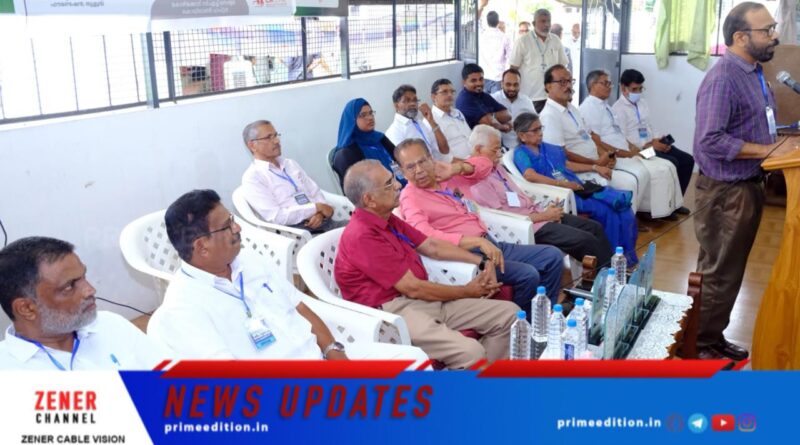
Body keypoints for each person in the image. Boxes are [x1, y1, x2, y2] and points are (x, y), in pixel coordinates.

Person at [148, 189, 428, 366]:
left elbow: (300, 306)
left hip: (322, 358)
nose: (238, 229)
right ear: (201, 246)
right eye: (228, 225)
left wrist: (335, 353)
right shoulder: (183, 308)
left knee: (412, 359)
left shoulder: (248, 260)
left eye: (233, 219)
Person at [335, 160, 519, 369]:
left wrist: (482, 262)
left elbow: (431, 246)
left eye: (393, 178)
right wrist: (467, 291)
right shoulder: (362, 235)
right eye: (388, 184)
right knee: (471, 352)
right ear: (369, 199)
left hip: (423, 298)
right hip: (393, 313)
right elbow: (412, 288)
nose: (398, 185)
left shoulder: (387, 218)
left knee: (510, 315)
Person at [692, 2, 800, 360]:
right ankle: (700, 346)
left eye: (773, 28)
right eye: (766, 30)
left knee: (731, 271)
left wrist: (781, 142)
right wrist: (766, 151)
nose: (774, 35)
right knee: (718, 273)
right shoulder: (723, 77)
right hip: (725, 193)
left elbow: (756, 126)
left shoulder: (753, 72)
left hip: (748, 186)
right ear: (740, 37)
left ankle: (713, 336)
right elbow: (710, 140)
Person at [395, 138, 564, 313]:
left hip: (491, 243)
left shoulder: (447, 175)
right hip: (467, 253)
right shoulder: (410, 197)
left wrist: (457, 168)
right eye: (411, 167)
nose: (419, 170)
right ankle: (523, 324)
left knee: (552, 256)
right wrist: (474, 242)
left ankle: (544, 315)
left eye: (422, 161)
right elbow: (424, 235)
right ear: (402, 172)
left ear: (431, 159)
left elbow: (486, 164)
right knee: (527, 274)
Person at [442, 124, 613, 267]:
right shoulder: (477, 181)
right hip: (527, 225)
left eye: (499, 149)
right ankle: (606, 280)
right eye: (495, 150)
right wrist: (544, 216)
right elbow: (505, 217)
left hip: (537, 213)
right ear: (478, 149)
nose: (499, 154)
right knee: (585, 240)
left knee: (594, 227)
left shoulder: (495, 166)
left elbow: (517, 194)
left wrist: (544, 209)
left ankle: (611, 271)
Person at [0, 237, 169, 370]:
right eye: (69, 286)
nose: (90, 290)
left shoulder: (111, 325)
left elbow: (171, 382)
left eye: (83, 277)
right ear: (27, 309)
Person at [512, 112, 638, 265]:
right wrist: (562, 184)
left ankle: (624, 256)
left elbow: (566, 165)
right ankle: (611, 259)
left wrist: (595, 167)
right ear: (522, 136)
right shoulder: (521, 153)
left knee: (622, 208)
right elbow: (530, 175)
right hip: (563, 194)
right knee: (607, 211)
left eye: (541, 128)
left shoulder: (547, 148)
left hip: (578, 187)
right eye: (535, 130)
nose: (540, 133)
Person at [539, 65, 644, 214]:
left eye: (570, 81)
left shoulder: (572, 109)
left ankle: (628, 220)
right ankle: (624, 222)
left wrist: (606, 155)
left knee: (635, 178)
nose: (568, 86)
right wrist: (595, 164)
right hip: (580, 171)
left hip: (597, 162)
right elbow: (562, 157)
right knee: (629, 183)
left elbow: (591, 137)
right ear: (548, 86)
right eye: (562, 82)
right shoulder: (549, 116)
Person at [580, 69, 683, 219]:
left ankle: (667, 208)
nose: (609, 87)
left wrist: (634, 148)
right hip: (620, 154)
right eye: (605, 83)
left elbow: (620, 134)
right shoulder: (590, 108)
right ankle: (647, 212)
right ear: (592, 85)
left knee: (669, 165)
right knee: (658, 168)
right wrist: (628, 152)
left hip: (634, 149)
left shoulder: (607, 106)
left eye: (610, 83)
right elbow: (595, 140)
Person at [240, 120, 346, 233]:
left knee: (358, 225)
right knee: (355, 233)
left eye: (276, 135)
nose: (276, 141)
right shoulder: (253, 177)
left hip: (324, 221)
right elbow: (276, 217)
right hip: (298, 232)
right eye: (269, 137)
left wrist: (320, 213)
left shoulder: (290, 164)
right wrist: (316, 208)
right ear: (252, 145)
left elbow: (315, 192)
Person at [612, 69, 695, 208]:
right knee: (673, 162)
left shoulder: (642, 103)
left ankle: (676, 203)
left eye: (640, 89)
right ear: (623, 88)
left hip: (652, 145)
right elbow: (623, 139)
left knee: (687, 160)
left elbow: (649, 126)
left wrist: (659, 140)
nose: (638, 93)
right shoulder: (617, 109)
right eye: (634, 89)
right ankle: (666, 206)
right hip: (639, 152)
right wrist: (648, 146)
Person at [510, 8, 569, 113]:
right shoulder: (523, 41)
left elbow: (563, 67)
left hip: (552, 96)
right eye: (543, 21)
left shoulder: (556, 40)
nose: (546, 24)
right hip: (530, 97)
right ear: (534, 23)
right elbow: (513, 69)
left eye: (548, 21)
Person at [333, 98, 401, 188]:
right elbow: (356, 187)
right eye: (363, 115)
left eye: (370, 113)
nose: (370, 117)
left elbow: (399, 159)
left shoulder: (379, 138)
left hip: (400, 184)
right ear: (352, 120)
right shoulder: (346, 153)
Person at [385, 84, 452, 162]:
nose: (413, 104)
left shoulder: (420, 123)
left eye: (415, 100)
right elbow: (408, 163)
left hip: (438, 164)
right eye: (407, 100)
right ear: (396, 106)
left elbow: (445, 150)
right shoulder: (394, 132)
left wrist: (431, 121)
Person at [455, 63, 512, 132]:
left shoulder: (483, 95)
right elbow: (489, 123)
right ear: (464, 82)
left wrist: (491, 115)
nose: (479, 83)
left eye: (481, 79)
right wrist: (502, 127)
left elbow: (508, 115)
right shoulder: (464, 100)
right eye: (473, 80)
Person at [491, 68, 536, 149]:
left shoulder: (527, 101)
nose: (512, 88)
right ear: (502, 84)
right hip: (498, 147)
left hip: (523, 146)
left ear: (520, 84)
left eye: (516, 85)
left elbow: (535, 124)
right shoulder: (493, 99)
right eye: (508, 84)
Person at [430, 78, 473, 160]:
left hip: (474, 157)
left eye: (452, 92)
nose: (450, 95)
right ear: (433, 97)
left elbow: (469, 135)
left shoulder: (457, 112)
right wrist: (465, 163)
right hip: (459, 164)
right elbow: (440, 155)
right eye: (444, 92)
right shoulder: (431, 121)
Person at [478, 10, 511, 94]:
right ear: (497, 21)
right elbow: (509, 58)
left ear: (487, 21)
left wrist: (481, 7)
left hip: (484, 76)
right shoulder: (505, 37)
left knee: (484, 101)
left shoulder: (481, 35)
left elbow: (476, 22)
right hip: (498, 78)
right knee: (496, 101)